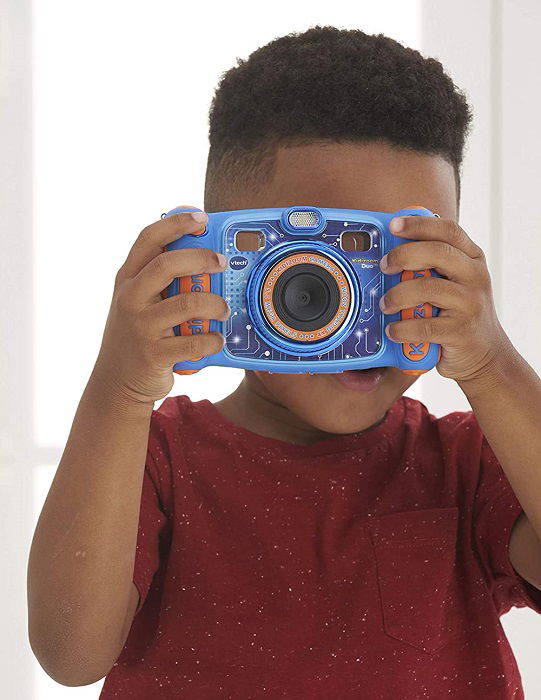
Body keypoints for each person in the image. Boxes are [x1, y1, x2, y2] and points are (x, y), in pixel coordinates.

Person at [27, 25, 541, 699]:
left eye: (399, 263)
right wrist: (119, 390)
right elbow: (70, 653)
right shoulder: (155, 459)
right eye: (315, 266)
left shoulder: (468, 465)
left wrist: (491, 364)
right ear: (218, 255)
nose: (348, 309)